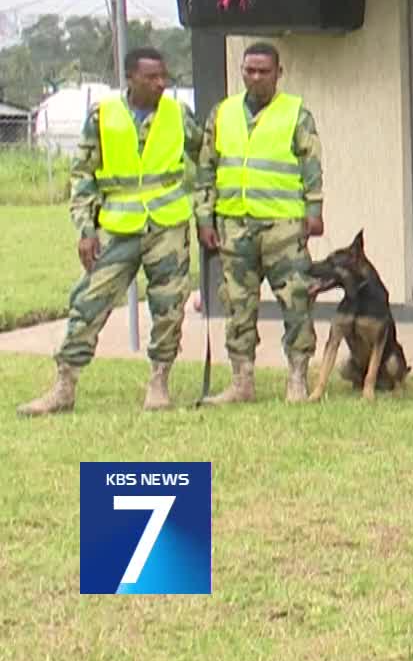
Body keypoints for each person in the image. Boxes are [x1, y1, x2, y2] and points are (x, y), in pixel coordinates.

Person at [18, 48, 207, 416]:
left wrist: (202, 210)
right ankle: (64, 386)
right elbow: (83, 174)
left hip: (167, 228)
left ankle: (159, 382)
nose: (161, 83)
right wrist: (86, 230)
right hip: (116, 229)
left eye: (164, 76)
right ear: (131, 78)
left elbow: (207, 160)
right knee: (88, 303)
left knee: (169, 307)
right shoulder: (102, 116)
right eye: (152, 77)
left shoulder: (178, 115)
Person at [197, 42, 325, 405]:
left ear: (278, 73)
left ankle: (297, 378)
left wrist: (314, 212)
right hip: (234, 226)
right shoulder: (222, 114)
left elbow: (311, 166)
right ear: (241, 71)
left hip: (282, 228)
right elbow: (206, 169)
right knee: (237, 305)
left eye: (263, 71)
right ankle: (242, 381)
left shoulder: (296, 113)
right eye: (249, 70)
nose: (255, 77)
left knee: (296, 302)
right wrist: (206, 218)